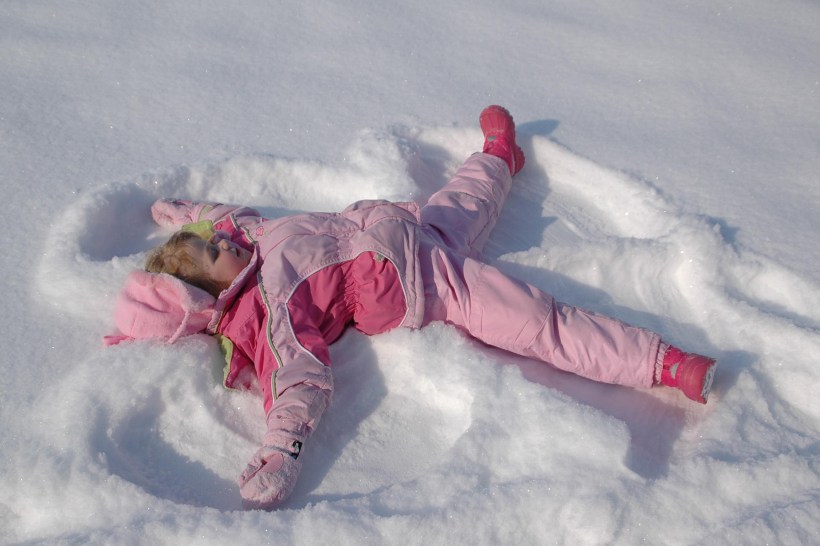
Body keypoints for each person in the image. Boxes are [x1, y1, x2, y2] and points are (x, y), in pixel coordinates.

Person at [108, 106, 717, 509]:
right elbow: (297, 379)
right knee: (538, 321)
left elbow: (224, 215)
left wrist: (185, 215)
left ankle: (499, 157)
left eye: (212, 240)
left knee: (465, 199)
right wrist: (280, 451)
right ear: (213, 295)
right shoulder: (272, 310)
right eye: (213, 253)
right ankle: (664, 365)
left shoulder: (251, 237)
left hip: (410, 230)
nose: (223, 242)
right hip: (427, 282)